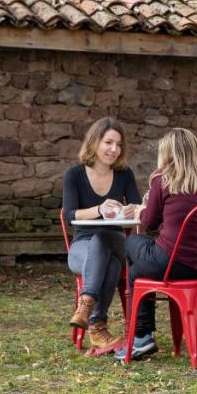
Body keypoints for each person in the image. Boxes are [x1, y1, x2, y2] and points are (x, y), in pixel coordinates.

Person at [121, 128, 197, 361]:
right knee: (137, 271)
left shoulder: (162, 179)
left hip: (170, 261)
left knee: (131, 242)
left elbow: (149, 223)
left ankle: (142, 336)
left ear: (167, 154)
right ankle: (142, 337)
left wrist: (141, 209)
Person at [62, 118, 142, 350]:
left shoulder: (124, 174)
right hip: (82, 244)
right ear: (95, 141)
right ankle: (97, 328)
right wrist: (99, 209)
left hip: (116, 240)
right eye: (108, 142)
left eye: (118, 144)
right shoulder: (74, 175)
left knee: (104, 238)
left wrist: (131, 209)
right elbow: (69, 215)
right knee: (111, 264)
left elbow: (138, 207)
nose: (114, 149)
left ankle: (86, 304)